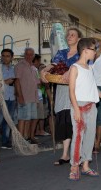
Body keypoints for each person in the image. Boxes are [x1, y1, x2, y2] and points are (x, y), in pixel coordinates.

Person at [41, 27, 83, 165]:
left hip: (77, 90)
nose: (69, 36)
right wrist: (44, 71)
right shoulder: (61, 52)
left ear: (79, 39)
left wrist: (71, 70)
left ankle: (79, 153)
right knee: (64, 120)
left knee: (75, 122)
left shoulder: (83, 53)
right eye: (68, 35)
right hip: (61, 90)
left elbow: (84, 68)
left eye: (72, 35)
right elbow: (53, 65)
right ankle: (65, 154)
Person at [68, 38, 101, 180]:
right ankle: (74, 167)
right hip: (79, 105)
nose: (95, 52)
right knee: (78, 136)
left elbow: (94, 89)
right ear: (85, 51)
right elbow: (71, 91)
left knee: (90, 136)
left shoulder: (90, 68)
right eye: (93, 49)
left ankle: (85, 165)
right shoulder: (74, 68)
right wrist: (77, 110)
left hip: (92, 107)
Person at [14, 48, 39, 144]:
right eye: (27, 54)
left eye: (31, 54)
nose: (29, 56)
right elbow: (17, 81)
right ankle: (20, 140)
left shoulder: (34, 68)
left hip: (33, 97)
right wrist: (20, 96)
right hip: (24, 96)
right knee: (22, 118)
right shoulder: (20, 65)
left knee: (29, 118)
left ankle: (26, 137)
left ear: (33, 55)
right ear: (24, 55)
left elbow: (37, 83)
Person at [0, 49, 16, 149]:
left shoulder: (14, 68)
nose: (5, 58)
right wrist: (4, 82)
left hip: (12, 97)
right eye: (3, 55)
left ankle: (5, 141)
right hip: (1, 97)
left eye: (7, 56)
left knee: (9, 120)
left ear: (12, 57)